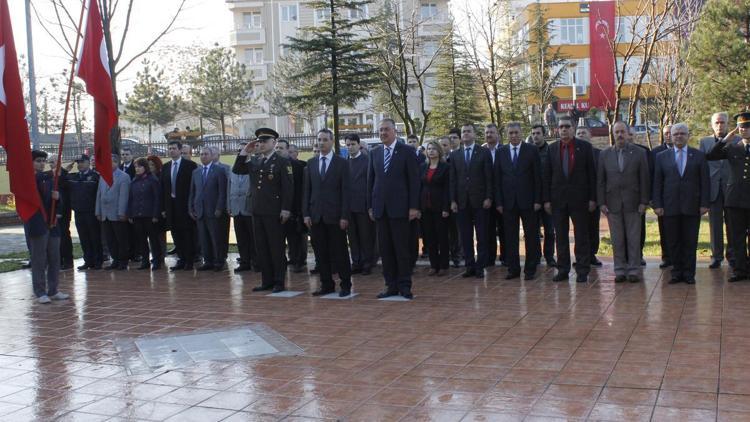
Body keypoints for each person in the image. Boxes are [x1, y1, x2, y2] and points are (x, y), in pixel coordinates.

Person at [233, 128, 293, 293]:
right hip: (257, 210)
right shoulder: (255, 161)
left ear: (274, 143)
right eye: (259, 141)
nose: (261, 144)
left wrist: (286, 209)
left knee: (276, 248)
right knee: (262, 248)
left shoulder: (282, 162)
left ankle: (279, 281)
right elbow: (237, 169)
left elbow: (288, 188)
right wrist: (246, 151)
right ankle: (267, 281)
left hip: (274, 211)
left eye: (265, 141)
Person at [368, 118, 420, 299]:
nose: (383, 133)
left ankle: (405, 285)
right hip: (380, 210)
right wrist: (370, 206)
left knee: (401, 249)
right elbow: (371, 181)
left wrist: (414, 206)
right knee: (386, 250)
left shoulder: (407, 151)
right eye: (381, 130)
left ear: (394, 131)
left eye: (386, 130)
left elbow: (414, 181)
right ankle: (390, 285)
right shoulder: (374, 152)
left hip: (401, 209)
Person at [653, 123, 710, 284]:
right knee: (673, 241)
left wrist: (704, 203)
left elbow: (705, 181)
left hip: (692, 206)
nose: (678, 136)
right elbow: (657, 182)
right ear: (670, 136)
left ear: (688, 135)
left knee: (690, 242)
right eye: (675, 133)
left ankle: (689, 274)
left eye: (682, 133)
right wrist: (657, 204)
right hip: (669, 206)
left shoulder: (698, 155)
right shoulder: (662, 156)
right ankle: (676, 272)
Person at [544, 116, 597, 283]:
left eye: (567, 126)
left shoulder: (585, 147)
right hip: (558, 201)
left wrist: (592, 199)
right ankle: (563, 269)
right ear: (557, 130)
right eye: (561, 127)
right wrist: (546, 200)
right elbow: (546, 176)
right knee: (560, 236)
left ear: (573, 128)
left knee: (581, 236)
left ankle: (582, 270)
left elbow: (592, 175)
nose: (564, 130)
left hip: (580, 200)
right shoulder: (551, 149)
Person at [597, 122, 650, 283]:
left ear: (628, 133)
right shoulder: (605, 154)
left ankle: (634, 270)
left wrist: (644, 201)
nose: (620, 135)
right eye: (617, 132)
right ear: (613, 134)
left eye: (622, 132)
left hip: (633, 203)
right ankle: (619, 270)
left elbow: (644, 179)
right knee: (617, 239)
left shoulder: (639, 153)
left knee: (634, 239)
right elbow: (601, 180)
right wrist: (601, 202)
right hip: (612, 204)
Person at [303, 129, 352, 296]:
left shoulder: (342, 163)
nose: (321, 143)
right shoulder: (311, 163)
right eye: (319, 140)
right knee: (320, 252)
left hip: (336, 216)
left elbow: (346, 192)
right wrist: (306, 213)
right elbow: (307, 191)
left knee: (340, 252)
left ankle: (345, 284)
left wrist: (345, 216)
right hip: (316, 215)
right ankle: (326, 284)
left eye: (325, 140)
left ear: (332, 142)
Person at [495, 122, 543, 280]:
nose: (513, 136)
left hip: (528, 201)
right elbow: (498, 178)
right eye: (511, 133)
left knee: (531, 236)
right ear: (507, 135)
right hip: (508, 203)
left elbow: (538, 177)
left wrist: (538, 200)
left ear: (521, 133)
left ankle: (530, 269)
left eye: (516, 132)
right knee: (510, 236)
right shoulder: (501, 152)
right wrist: (499, 202)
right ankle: (513, 269)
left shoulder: (532, 150)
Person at [706, 112, 750, 282]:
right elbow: (711, 155)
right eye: (741, 127)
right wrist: (725, 139)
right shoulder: (733, 147)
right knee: (736, 237)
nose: (744, 130)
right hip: (735, 199)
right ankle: (740, 270)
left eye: (747, 126)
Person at [450, 123, 494, 278]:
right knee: (466, 236)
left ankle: (480, 266)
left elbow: (489, 177)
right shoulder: (455, 155)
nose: (466, 134)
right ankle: (469, 266)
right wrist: (453, 200)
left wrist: (489, 197)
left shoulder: (483, 152)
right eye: (464, 132)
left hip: (480, 201)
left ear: (474, 134)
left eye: (469, 131)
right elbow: (453, 180)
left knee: (482, 236)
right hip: (462, 202)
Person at [27, 150, 70, 304]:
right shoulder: (29, 178)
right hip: (38, 223)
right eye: (38, 160)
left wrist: (57, 201)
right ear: (30, 162)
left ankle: (53, 290)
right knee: (39, 258)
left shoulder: (49, 179)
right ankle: (40, 291)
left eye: (43, 161)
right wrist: (53, 173)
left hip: (52, 223)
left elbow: (58, 200)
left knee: (55, 257)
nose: (41, 163)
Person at [700, 112, 741, 269]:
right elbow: (703, 167)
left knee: (732, 224)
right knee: (714, 225)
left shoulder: (737, 140)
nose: (719, 125)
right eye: (716, 123)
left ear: (727, 124)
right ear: (712, 125)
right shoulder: (705, 142)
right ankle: (716, 256)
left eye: (722, 122)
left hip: (731, 189)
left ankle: (732, 256)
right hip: (713, 189)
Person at [161, 141, 198, 271]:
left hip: (185, 206)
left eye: (174, 148)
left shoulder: (190, 166)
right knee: (176, 234)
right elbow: (163, 189)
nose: (171, 151)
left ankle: (189, 260)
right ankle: (181, 259)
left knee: (187, 234)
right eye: (169, 148)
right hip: (171, 206)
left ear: (180, 149)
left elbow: (194, 187)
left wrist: (193, 206)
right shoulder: (165, 167)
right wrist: (163, 208)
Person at [189, 147, 228, 271]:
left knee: (216, 238)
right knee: (204, 238)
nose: (203, 156)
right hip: (200, 211)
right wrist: (191, 208)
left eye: (206, 154)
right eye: (201, 154)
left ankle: (218, 261)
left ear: (212, 156)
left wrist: (219, 208)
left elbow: (222, 192)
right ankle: (208, 261)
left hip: (214, 210)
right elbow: (192, 192)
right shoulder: (196, 172)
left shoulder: (219, 170)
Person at [419, 140, 450, 275]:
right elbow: (419, 187)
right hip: (426, 207)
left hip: (440, 207)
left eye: (433, 149)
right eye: (429, 149)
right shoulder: (422, 167)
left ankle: (443, 265)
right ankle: (433, 265)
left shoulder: (445, 167)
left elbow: (447, 189)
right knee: (430, 237)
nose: (431, 151)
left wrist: (446, 208)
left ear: (439, 151)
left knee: (442, 237)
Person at [346, 134, 375, 275]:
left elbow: (371, 183)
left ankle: (367, 262)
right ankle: (356, 262)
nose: (350, 147)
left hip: (363, 205)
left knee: (365, 236)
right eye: (348, 145)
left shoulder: (367, 160)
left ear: (359, 145)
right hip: (349, 206)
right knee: (352, 236)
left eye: (352, 144)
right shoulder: (344, 162)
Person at [277, 139, 308, 273]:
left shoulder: (297, 166)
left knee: (295, 238)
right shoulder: (272, 165)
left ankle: (298, 261)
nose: (278, 150)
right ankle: (282, 261)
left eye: (281, 148)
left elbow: (300, 189)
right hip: (276, 208)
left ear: (287, 150)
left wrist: (298, 209)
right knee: (278, 239)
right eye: (277, 147)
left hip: (293, 209)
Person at [65, 155, 101, 270]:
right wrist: (66, 169)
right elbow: (59, 181)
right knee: (84, 238)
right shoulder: (73, 177)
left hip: (91, 212)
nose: (80, 164)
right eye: (78, 162)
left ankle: (97, 261)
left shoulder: (95, 177)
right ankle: (88, 261)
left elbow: (99, 195)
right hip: (79, 212)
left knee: (95, 237)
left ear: (88, 163)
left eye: (82, 162)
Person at [96, 154, 131, 271]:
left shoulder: (124, 177)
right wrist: (98, 211)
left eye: (110, 162)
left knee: (121, 239)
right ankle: (115, 260)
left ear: (116, 162)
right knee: (110, 239)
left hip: (117, 213)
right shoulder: (103, 176)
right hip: (105, 214)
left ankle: (123, 261)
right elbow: (99, 194)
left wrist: (122, 212)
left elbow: (124, 196)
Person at [575, 126, 603, 267]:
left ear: (590, 135)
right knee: (579, 229)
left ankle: (591, 254)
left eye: (583, 133)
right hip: (576, 199)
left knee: (593, 228)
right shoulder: (571, 153)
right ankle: (580, 256)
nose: (581, 135)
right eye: (578, 133)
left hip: (593, 197)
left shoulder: (598, 154)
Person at [128, 158, 162, 270]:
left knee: (153, 239)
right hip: (137, 215)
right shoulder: (134, 180)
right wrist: (130, 214)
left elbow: (157, 198)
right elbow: (131, 199)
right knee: (141, 239)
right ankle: (145, 261)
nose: (137, 169)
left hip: (149, 215)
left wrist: (156, 215)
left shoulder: (152, 179)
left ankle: (157, 260)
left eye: (139, 166)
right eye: (135, 167)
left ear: (145, 167)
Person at [228, 141, 258, 272]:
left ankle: (256, 262)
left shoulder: (254, 165)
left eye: (244, 150)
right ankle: (244, 261)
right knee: (241, 238)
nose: (241, 153)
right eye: (239, 151)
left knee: (253, 238)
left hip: (249, 208)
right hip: (236, 208)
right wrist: (229, 205)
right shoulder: (233, 169)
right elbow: (229, 188)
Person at [530, 125, 556, 267]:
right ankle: (536, 255)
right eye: (533, 133)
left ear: (544, 134)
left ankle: (549, 256)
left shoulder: (551, 151)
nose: (535, 136)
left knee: (550, 230)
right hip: (533, 198)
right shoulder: (528, 151)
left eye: (538, 133)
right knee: (533, 230)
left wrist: (549, 199)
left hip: (548, 198)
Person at [652, 125, 673, 268]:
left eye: (670, 133)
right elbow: (653, 177)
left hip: (680, 197)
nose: (668, 136)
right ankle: (666, 257)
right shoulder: (656, 153)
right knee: (664, 229)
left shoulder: (686, 151)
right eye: (665, 133)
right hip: (663, 198)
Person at [48, 156, 73, 270]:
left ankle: (67, 261)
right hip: (52, 211)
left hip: (63, 211)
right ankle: (58, 260)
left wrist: (62, 175)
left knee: (64, 235)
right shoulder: (48, 175)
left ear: (59, 162)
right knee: (54, 237)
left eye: (53, 162)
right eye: (50, 162)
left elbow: (66, 193)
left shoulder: (65, 175)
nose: (51, 164)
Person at [484, 123, 505, 267]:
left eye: (492, 132)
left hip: (503, 196)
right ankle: (490, 257)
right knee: (488, 229)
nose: (489, 135)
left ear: (497, 134)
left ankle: (505, 256)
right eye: (487, 132)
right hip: (486, 197)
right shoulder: (480, 151)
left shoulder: (504, 150)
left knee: (504, 228)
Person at [210, 146, 232, 269]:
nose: (211, 155)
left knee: (222, 233)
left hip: (222, 207)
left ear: (218, 154)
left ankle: (222, 255)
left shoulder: (226, 168)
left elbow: (227, 188)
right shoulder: (203, 168)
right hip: (209, 207)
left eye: (214, 153)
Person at [146, 155, 167, 263]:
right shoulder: (147, 177)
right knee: (151, 235)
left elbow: (163, 194)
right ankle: (155, 255)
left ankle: (161, 255)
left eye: (152, 165)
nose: (150, 167)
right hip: (149, 210)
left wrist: (163, 209)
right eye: (148, 165)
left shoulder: (161, 176)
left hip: (159, 210)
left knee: (160, 235)